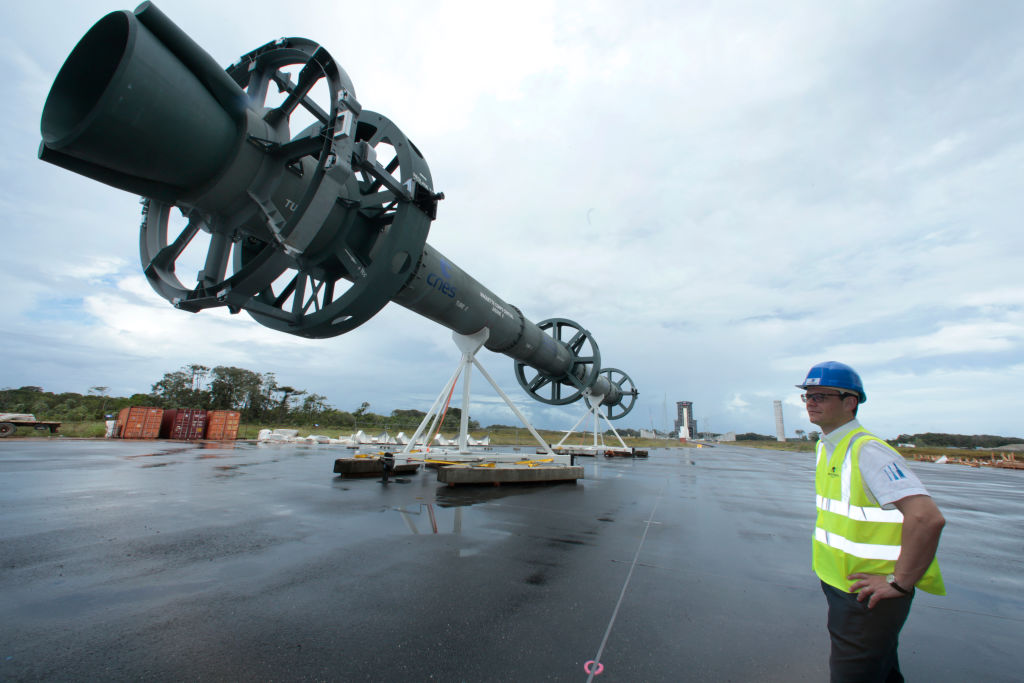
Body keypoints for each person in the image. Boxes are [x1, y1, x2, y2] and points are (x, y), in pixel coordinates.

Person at [797, 361, 945, 683]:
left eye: (821, 396)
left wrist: (899, 582)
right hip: (843, 584)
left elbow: (926, 518)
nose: (811, 402)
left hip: (868, 595)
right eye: (808, 396)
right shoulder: (827, 446)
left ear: (850, 402)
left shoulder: (868, 450)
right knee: (881, 671)